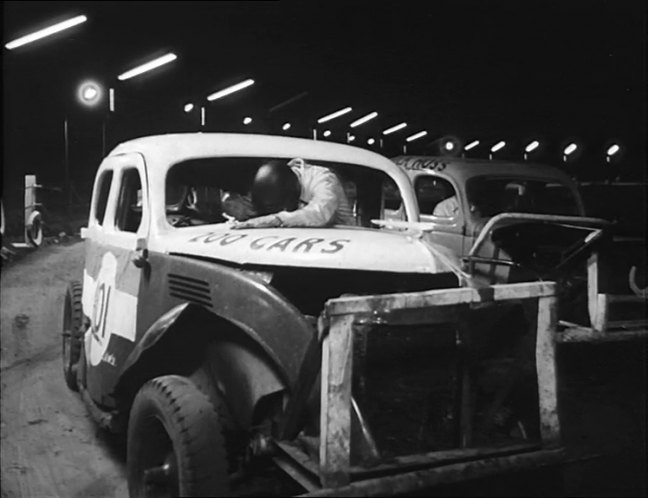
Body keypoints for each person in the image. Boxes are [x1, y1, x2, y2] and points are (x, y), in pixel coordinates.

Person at [230, 158, 355, 228]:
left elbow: (320, 212)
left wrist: (277, 219)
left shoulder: (323, 179)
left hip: (340, 234)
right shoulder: (277, 182)